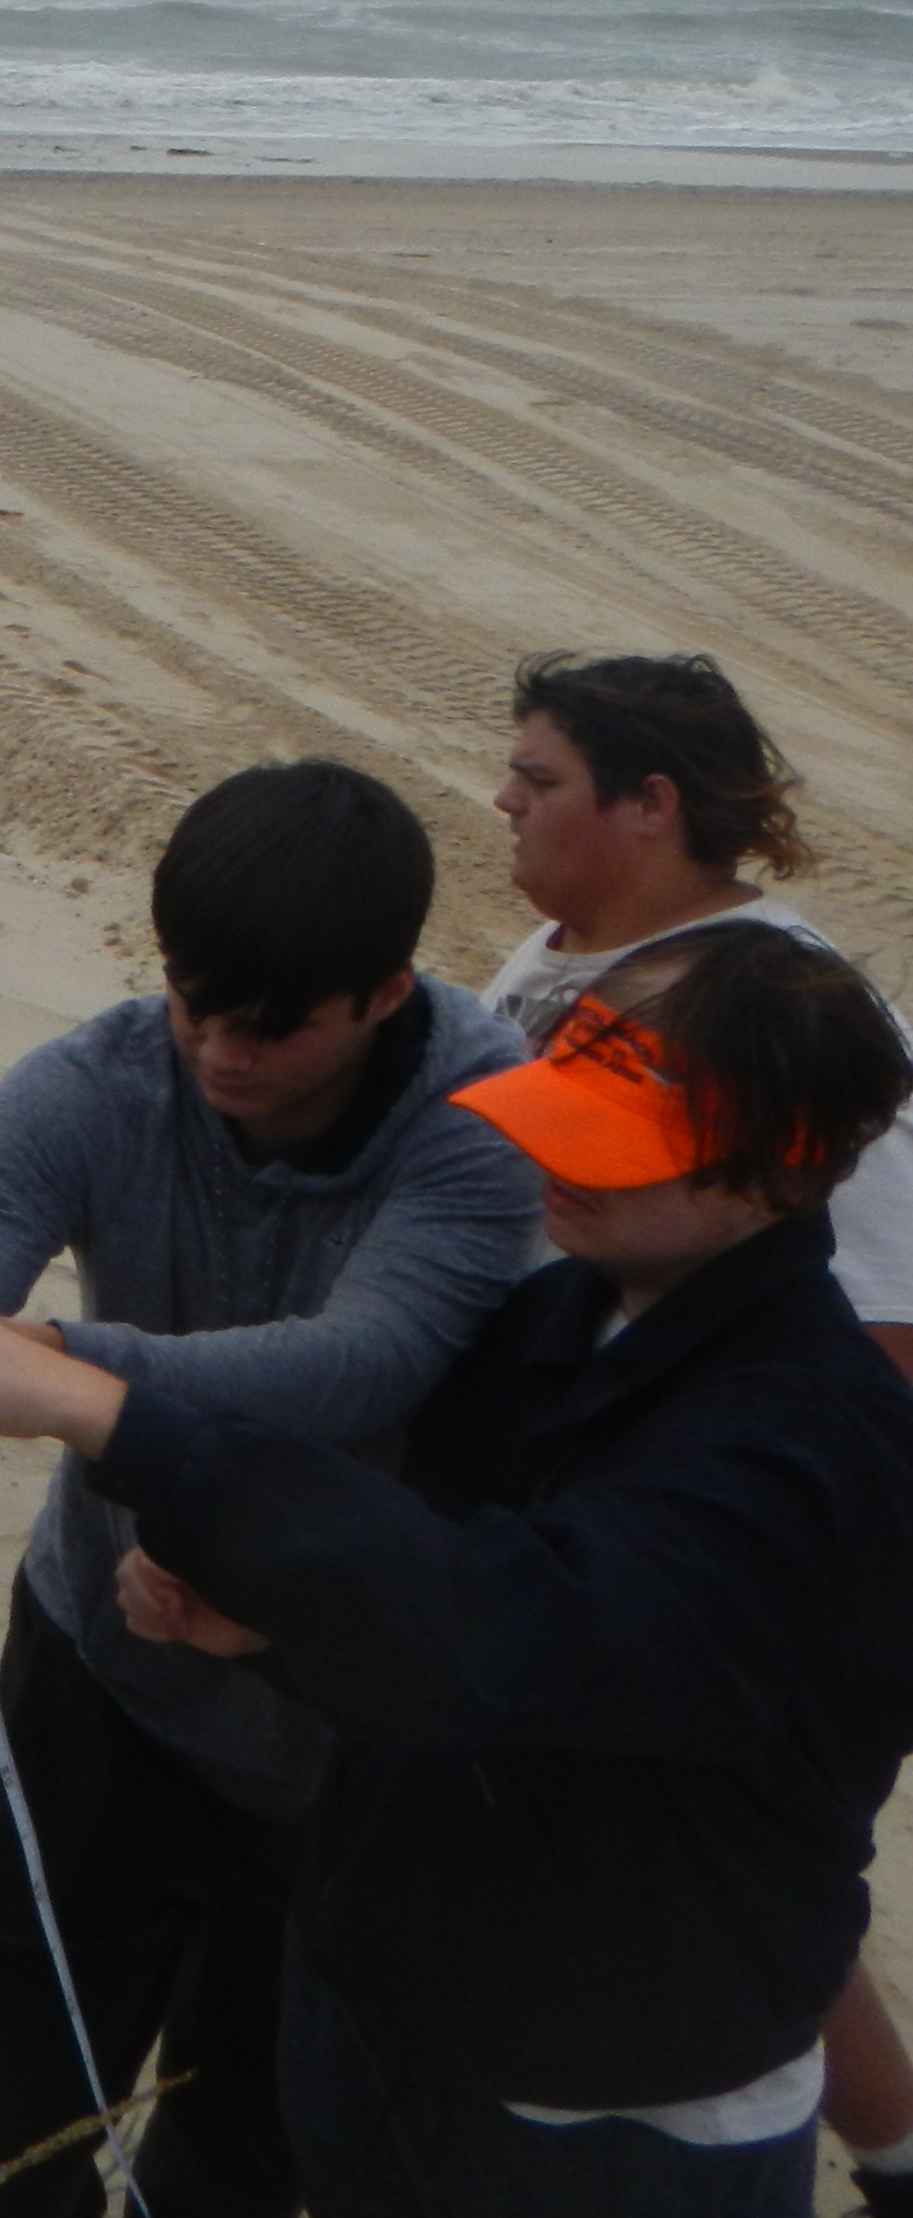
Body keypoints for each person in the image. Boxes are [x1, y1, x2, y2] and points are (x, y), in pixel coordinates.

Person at [0, 924, 913, 2218]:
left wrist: (105, 1406)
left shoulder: (810, 1451)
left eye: (625, 1147)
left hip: (599, 2115)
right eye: (562, 1111)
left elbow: (498, 1629)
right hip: (391, 2033)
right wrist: (265, 1632)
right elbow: (424, 1573)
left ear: (787, 1173)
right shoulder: (568, 1312)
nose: (558, 1159)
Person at [0, 758, 545, 2216]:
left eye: (271, 1025)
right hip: (95, 1697)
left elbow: (370, 1361)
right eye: (192, 1000)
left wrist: (59, 1368)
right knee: (2, 2146)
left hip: (346, 1744)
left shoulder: (483, 1117)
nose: (218, 1049)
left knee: (242, 2162)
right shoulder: (91, 1083)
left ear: (384, 996)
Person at [481, 649, 913, 2209]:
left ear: (651, 806)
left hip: (686, 1532)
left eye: (539, 782)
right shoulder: (560, 956)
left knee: (744, 1928)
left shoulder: (776, 1016)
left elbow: (874, 1334)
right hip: (556, 1477)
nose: (506, 805)